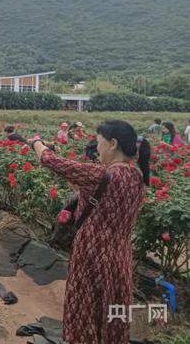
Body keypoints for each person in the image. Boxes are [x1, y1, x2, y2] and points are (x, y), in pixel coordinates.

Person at [31, 120, 150, 344]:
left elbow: (49, 160)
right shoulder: (137, 176)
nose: (97, 147)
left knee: (83, 317)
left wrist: (37, 142)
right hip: (120, 259)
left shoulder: (100, 175)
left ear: (113, 144)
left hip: (91, 256)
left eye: (99, 142)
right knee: (115, 320)